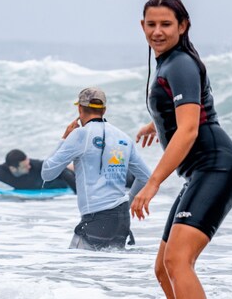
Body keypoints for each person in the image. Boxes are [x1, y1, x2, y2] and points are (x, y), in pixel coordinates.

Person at [130, 0, 232, 299]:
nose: (157, 31)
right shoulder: (170, 63)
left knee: (178, 262)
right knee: (164, 269)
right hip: (203, 172)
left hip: (217, 167)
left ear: (183, 26)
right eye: (151, 24)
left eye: (166, 24)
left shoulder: (179, 63)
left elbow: (192, 128)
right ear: (142, 26)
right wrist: (157, 123)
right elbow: (187, 112)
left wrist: (152, 183)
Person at [42, 87, 151, 250]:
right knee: (109, 273)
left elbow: (47, 173)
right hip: (122, 220)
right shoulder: (123, 137)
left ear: (79, 108)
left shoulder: (80, 135)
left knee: (75, 271)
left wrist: (64, 139)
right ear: (104, 110)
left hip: (97, 219)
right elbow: (146, 177)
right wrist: (127, 202)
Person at [0, 149, 76, 192]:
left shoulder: (35, 165)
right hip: (36, 190)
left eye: (28, 163)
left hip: (59, 184)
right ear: (13, 168)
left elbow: (63, 170)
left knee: (67, 169)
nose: (29, 167)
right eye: (25, 166)